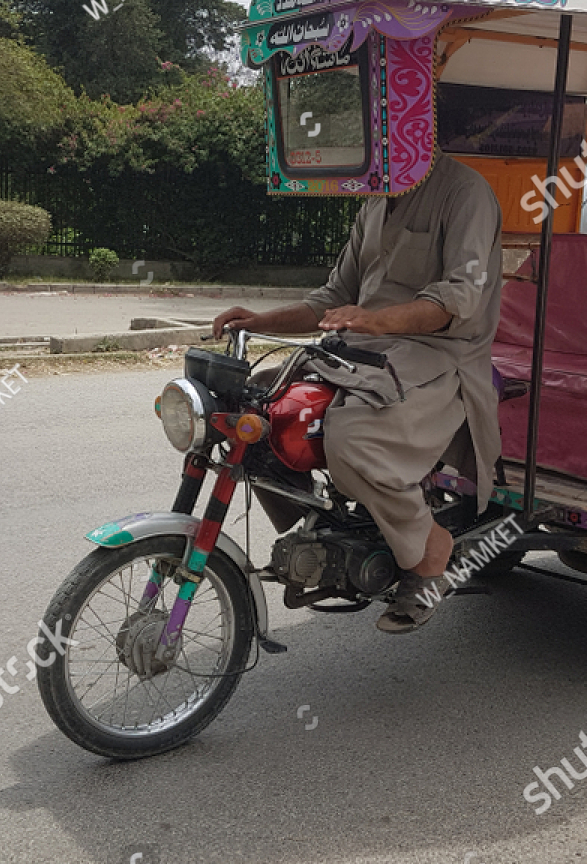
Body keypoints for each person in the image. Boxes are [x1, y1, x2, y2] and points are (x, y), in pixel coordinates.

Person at [213, 150, 503, 633]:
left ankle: (429, 552)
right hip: (363, 351)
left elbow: (460, 300)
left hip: (438, 355)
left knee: (352, 437)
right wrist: (259, 321)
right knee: (258, 402)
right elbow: (333, 297)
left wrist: (374, 318)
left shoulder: (464, 191)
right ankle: (321, 526)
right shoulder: (373, 199)